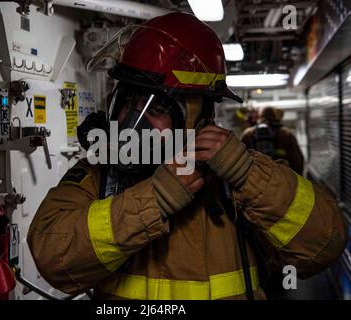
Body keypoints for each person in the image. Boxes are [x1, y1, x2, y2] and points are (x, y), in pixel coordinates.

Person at [27, 12, 348, 300]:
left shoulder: (237, 180)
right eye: (127, 101)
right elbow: (51, 257)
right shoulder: (100, 173)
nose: (132, 120)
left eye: (157, 108)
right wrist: (155, 198)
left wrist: (247, 175)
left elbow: (323, 246)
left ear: (202, 118)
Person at [241, 106, 304, 174]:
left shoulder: (248, 133)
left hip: (255, 177)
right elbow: (298, 161)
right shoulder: (286, 134)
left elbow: (240, 156)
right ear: (275, 116)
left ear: (260, 117)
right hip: (280, 177)